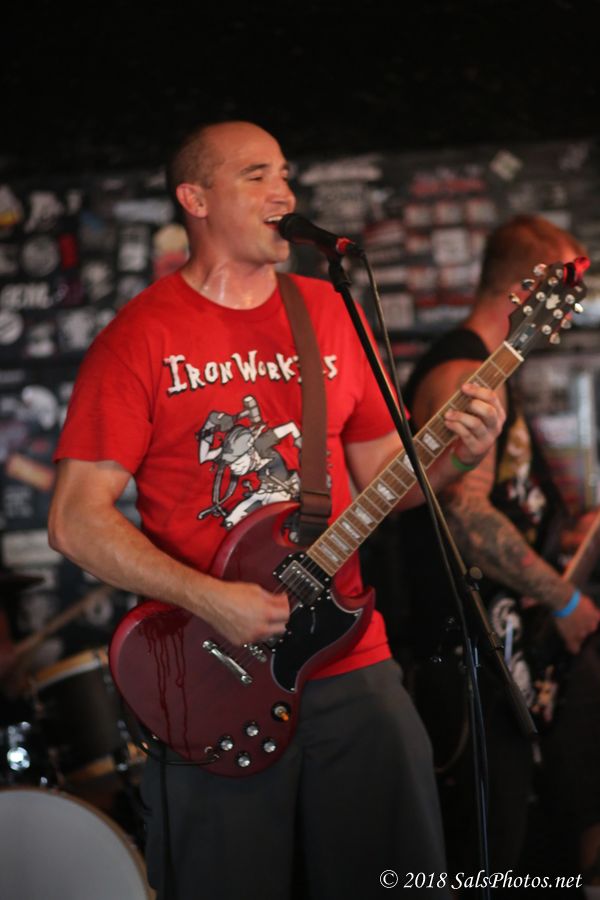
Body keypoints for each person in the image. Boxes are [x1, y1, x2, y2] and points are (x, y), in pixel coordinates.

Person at [48, 120, 505, 900]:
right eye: (255, 175)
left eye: (286, 174)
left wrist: (459, 452)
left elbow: (386, 487)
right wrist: (210, 598)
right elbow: (74, 519)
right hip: (211, 676)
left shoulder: (328, 310)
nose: (283, 193)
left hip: (350, 659)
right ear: (195, 199)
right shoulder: (140, 337)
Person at [397, 214, 600, 892]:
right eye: (567, 288)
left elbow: (504, 502)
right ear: (528, 288)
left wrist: (565, 536)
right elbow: (465, 513)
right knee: (489, 853)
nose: (573, 307)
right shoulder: (463, 371)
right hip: (470, 659)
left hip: (507, 647)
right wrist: (563, 599)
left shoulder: (495, 370)